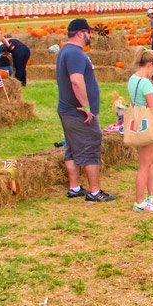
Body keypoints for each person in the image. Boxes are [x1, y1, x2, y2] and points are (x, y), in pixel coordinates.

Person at [56, 18, 115, 202]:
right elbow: (76, 80)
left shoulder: (65, 50)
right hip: (78, 112)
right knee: (91, 146)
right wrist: (87, 107)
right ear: (81, 33)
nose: (90, 35)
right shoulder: (75, 53)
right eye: (88, 32)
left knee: (72, 148)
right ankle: (94, 192)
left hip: (68, 109)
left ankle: (74, 188)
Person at [127, 48, 153, 211]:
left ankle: (150, 196)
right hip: (149, 125)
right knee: (145, 165)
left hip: (140, 124)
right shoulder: (146, 83)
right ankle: (140, 201)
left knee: (151, 162)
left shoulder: (133, 79)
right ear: (149, 64)